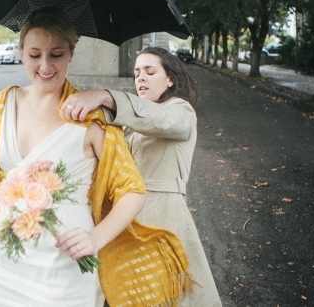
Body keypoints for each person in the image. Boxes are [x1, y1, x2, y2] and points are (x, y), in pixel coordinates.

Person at [0, 8, 192, 307]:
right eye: (35, 55)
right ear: (21, 52)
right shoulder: (4, 102)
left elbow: (132, 192)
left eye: (56, 54)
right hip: (10, 257)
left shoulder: (91, 117)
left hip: (66, 262)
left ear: (71, 54)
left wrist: (96, 239)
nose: (45, 65)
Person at [62, 46, 222, 307]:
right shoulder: (130, 122)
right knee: (120, 293)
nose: (141, 78)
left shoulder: (180, 111)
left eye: (150, 71)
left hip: (161, 223)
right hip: (123, 221)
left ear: (170, 79)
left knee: (159, 297)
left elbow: (158, 119)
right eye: (137, 73)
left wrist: (105, 96)